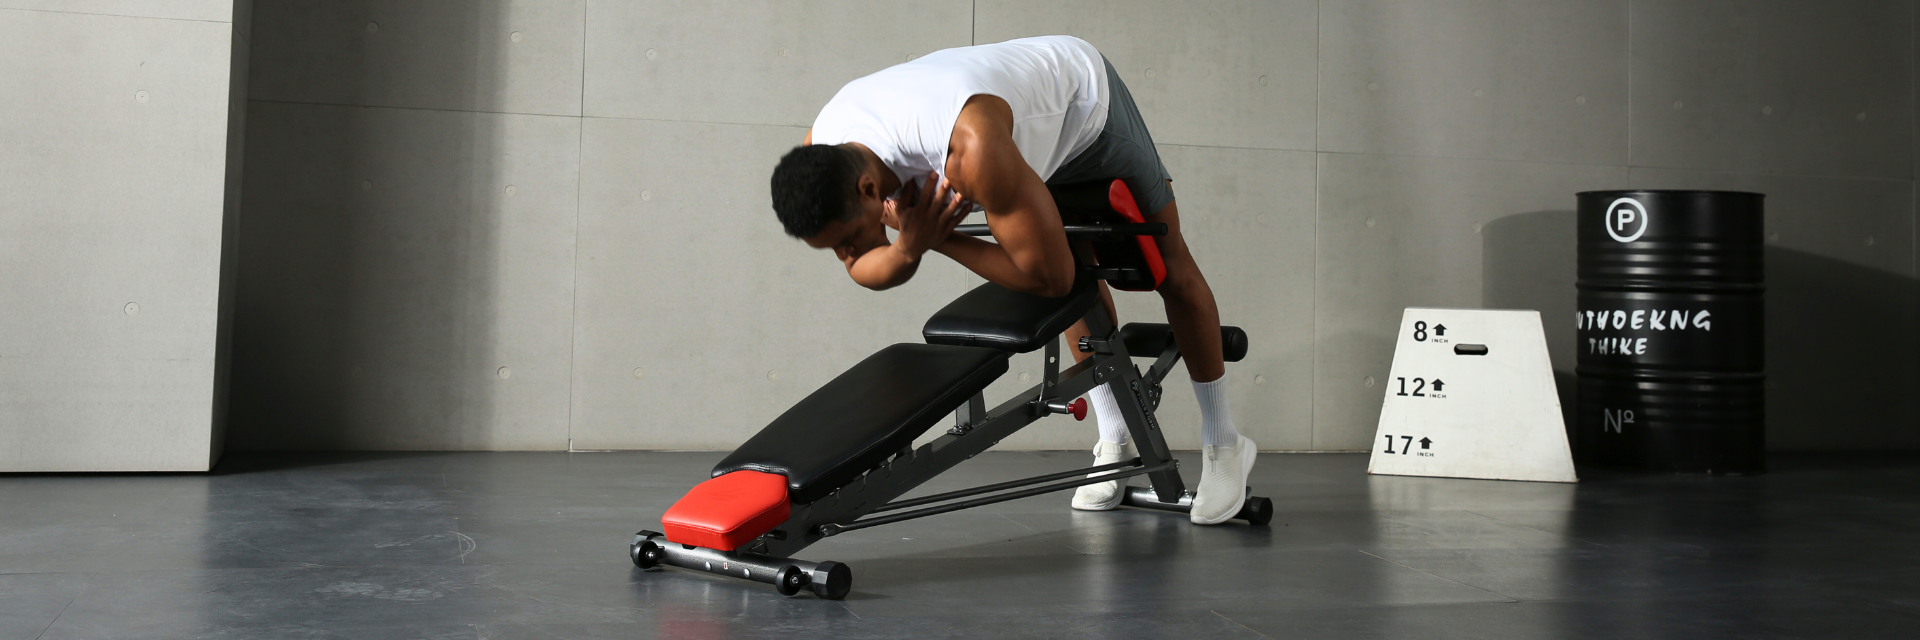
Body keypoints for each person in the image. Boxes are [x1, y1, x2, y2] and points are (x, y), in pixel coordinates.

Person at [767, 35, 1254, 524]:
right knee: (1076, 272)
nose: (847, 254)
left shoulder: (968, 150)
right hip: (1014, 138)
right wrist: (909, 246)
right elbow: (864, 267)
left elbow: (1052, 279)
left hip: (1085, 110)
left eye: (847, 238)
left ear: (870, 189)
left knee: (1170, 268)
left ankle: (1224, 443)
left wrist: (937, 238)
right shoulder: (823, 154)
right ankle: (1116, 436)